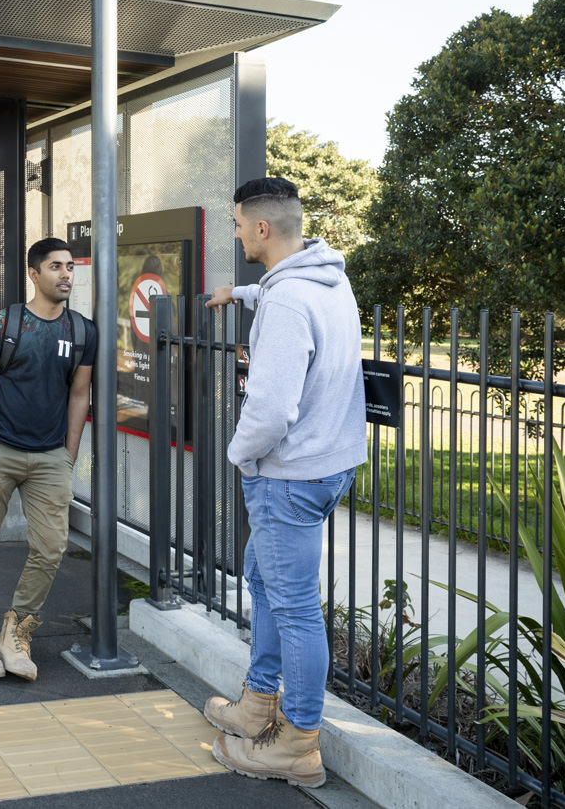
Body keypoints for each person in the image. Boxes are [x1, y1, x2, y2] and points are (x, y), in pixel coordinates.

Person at [201, 176, 367, 788]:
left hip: (287, 475)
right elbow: (281, 295)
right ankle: (257, 704)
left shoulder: (288, 302)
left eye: (240, 224)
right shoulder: (327, 280)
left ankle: (296, 743)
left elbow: (271, 409)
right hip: (330, 464)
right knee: (262, 580)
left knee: (294, 607)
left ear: (262, 228)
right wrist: (239, 292)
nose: (237, 231)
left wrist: (239, 455)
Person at [0, 237, 97, 681]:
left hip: (50, 457)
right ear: (34, 274)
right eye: (55, 267)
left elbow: (79, 395)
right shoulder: (4, 324)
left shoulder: (82, 331)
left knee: (52, 546)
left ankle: (17, 630)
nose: (66, 274)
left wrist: (68, 454)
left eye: (70, 267)